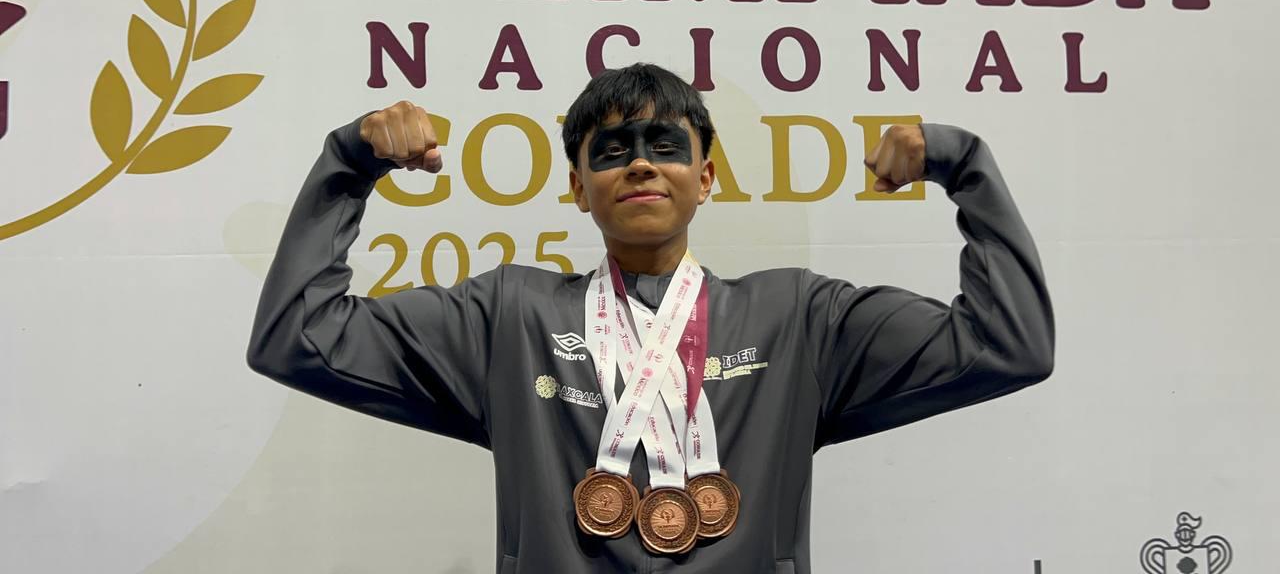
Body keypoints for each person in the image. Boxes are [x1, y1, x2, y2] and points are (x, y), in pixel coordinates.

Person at [246, 63, 1054, 573]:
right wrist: (349, 165)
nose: (638, 162)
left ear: (706, 178)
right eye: (611, 150)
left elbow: (1008, 344)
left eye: (664, 145)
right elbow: (299, 338)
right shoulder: (508, 317)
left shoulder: (799, 319)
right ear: (578, 187)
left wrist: (963, 165)